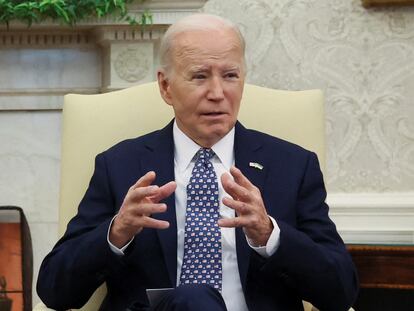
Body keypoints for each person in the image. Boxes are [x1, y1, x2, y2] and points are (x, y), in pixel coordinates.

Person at [37, 13, 358, 311]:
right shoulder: (121, 165)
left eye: (230, 75)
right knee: (194, 296)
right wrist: (116, 232)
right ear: (166, 86)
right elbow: (55, 291)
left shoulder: (292, 166)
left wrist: (271, 235)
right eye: (200, 76)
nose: (217, 92)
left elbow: (341, 292)